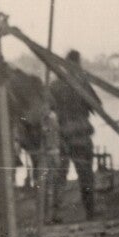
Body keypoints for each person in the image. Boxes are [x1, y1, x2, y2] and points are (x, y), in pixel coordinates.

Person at [48, 50, 101, 219]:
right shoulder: (83, 84)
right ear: (78, 63)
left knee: (60, 177)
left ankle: (56, 214)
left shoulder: (54, 85)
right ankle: (90, 213)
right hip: (81, 137)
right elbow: (97, 106)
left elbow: (47, 108)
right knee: (86, 176)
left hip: (62, 137)